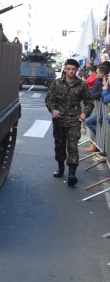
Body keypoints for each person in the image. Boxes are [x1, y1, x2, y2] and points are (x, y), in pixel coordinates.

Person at [45, 58, 94, 186]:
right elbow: (49, 99)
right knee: (60, 146)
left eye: (73, 69)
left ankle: (72, 173)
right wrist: (53, 110)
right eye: (69, 69)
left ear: (77, 70)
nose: (71, 71)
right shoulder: (56, 83)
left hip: (74, 120)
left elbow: (89, 102)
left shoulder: (81, 85)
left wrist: (84, 113)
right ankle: (60, 168)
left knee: (72, 146)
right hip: (59, 120)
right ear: (65, 69)